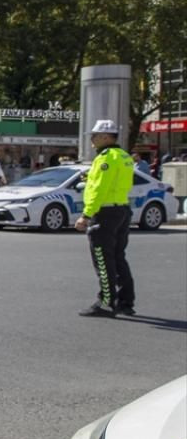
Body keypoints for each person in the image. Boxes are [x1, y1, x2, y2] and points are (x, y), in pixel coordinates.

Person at [76, 120, 136, 318]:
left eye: (95, 135)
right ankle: (125, 301)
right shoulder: (124, 156)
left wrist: (86, 215)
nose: (92, 139)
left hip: (106, 213)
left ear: (106, 137)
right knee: (119, 257)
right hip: (122, 210)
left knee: (103, 258)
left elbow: (99, 190)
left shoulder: (106, 159)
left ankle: (106, 302)